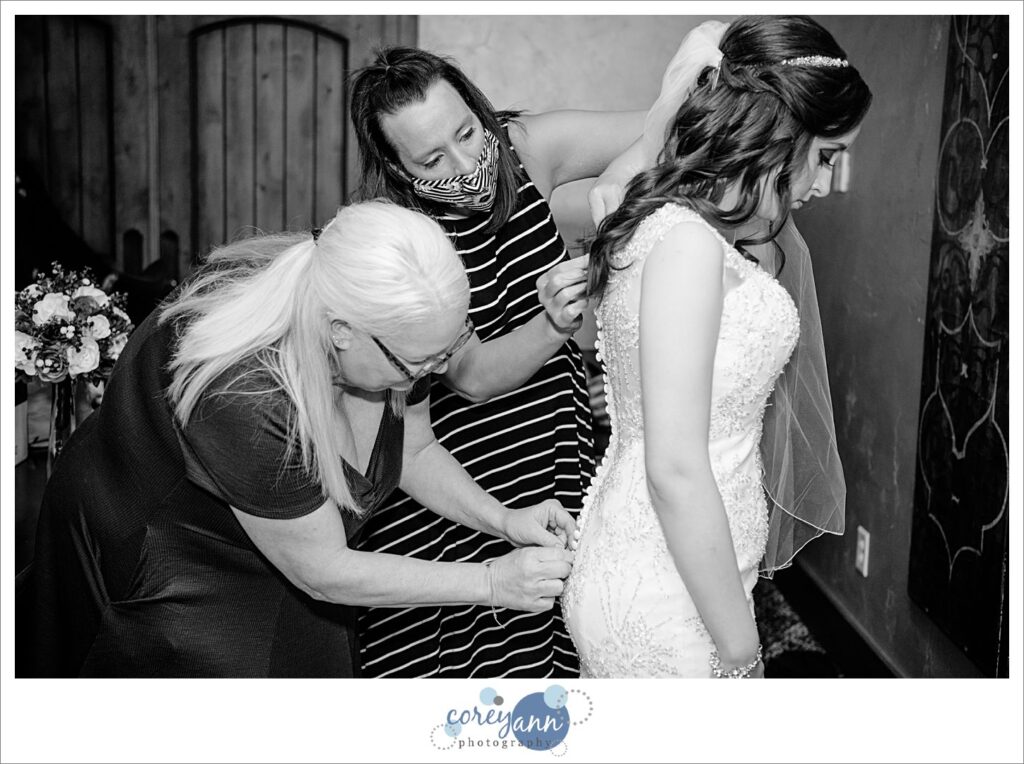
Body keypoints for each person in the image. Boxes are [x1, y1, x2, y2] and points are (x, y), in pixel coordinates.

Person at [15, 200, 577, 678]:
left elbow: (414, 448)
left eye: (447, 351)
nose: (432, 376)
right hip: (163, 551)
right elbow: (325, 570)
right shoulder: (245, 398)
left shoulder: (377, 326)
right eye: (417, 365)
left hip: (285, 535)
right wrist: (493, 582)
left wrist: (502, 519)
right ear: (341, 332)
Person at [562, 16, 871, 677]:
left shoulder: (682, 231)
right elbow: (675, 468)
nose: (821, 185)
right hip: (665, 592)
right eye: (826, 156)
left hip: (684, 571)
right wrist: (741, 651)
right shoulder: (687, 247)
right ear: (781, 133)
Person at [348, 46, 646, 677]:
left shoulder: (523, 147)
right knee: (477, 664)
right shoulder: (403, 232)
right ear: (398, 170)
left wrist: (617, 185)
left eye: (466, 132)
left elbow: (662, 129)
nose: (465, 163)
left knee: (558, 634)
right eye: (432, 159)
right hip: (463, 459)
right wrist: (554, 323)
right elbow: (473, 375)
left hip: (550, 430)